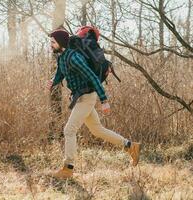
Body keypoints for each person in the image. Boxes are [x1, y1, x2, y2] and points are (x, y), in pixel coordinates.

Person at [47, 29, 141, 179]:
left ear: (61, 43)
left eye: (53, 42)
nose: (50, 45)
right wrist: (54, 81)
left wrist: (104, 100)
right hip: (79, 97)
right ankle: (131, 146)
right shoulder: (62, 57)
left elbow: (92, 77)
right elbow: (60, 72)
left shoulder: (74, 57)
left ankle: (68, 168)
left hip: (87, 97)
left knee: (69, 130)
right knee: (97, 130)